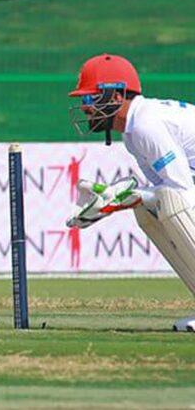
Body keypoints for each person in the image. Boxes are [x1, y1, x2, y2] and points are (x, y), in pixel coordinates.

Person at [67, 53, 195, 331]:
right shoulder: (133, 132)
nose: (85, 107)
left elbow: (182, 192)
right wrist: (115, 197)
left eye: (89, 99)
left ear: (116, 96)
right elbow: (162, 191)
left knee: (174, 206)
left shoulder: (146, 126)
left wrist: (127, 196)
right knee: (151, 213)